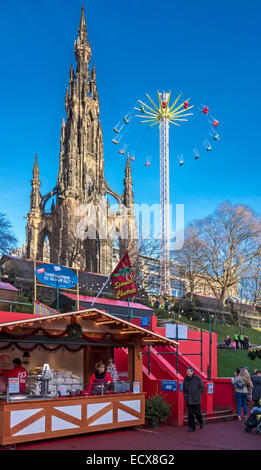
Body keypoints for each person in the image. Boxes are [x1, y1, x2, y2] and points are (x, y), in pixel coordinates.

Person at [183, 367, 204, 432]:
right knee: (190, 415)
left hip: (196, 400)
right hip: (189, 400)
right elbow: (184, 389)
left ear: (192, 372)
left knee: (197, 413)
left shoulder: (198, 378)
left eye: (189, 371)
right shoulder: (185, 379)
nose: (187, 373)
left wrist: (197, 395)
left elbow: (202, 388)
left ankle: (200, 422)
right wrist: (185, 395)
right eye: (187, 371)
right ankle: (192, 427)